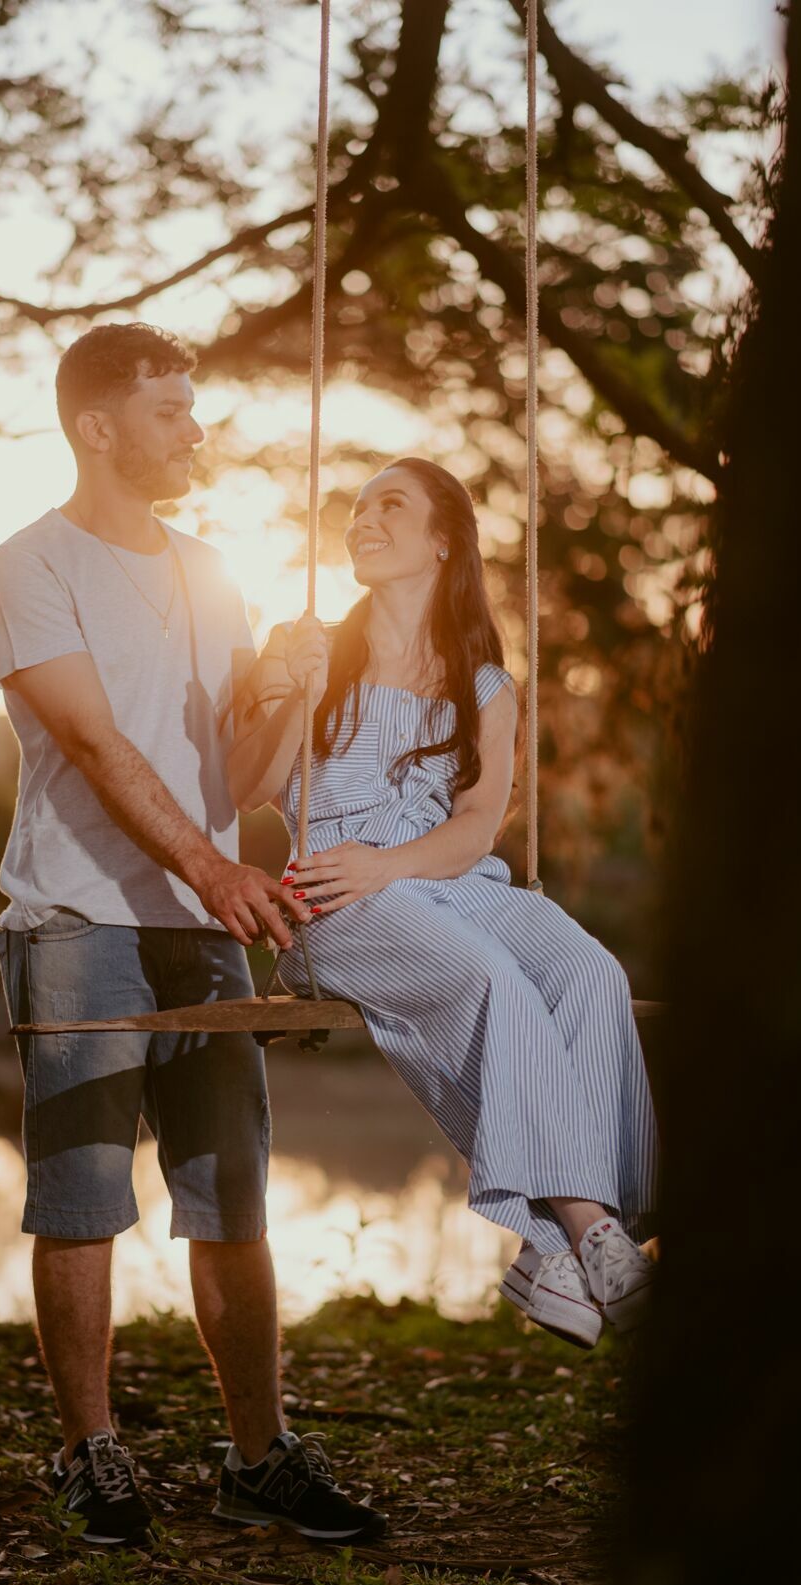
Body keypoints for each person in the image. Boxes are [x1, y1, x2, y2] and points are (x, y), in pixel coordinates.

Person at [0, 321, 387, 1547]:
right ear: (97, 427)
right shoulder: (28, 567)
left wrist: (294, 688)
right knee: (81, 1197)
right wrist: (212, 867)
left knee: (232, 1197)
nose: (195, 432)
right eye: (169, 412)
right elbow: (98, 747)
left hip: (204, 924)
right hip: (75, 919)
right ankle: (90, 1453)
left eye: (192, 409)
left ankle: (258, 1457)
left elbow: (243, 777)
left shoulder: (214, 572)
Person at [227, 457, 659, 1352]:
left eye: (391, 505)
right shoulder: (305, 646)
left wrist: (390, 865)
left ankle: (552, 1252)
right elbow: (244, 787)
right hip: (332, 897)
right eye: (357, 508)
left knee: (590, 972)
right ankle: (589, 1232)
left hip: (445, 880)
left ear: (442, 542)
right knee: (489, 977)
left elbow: (473, 831)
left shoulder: (485, 684)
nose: (363, 520)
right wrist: (295, 691)